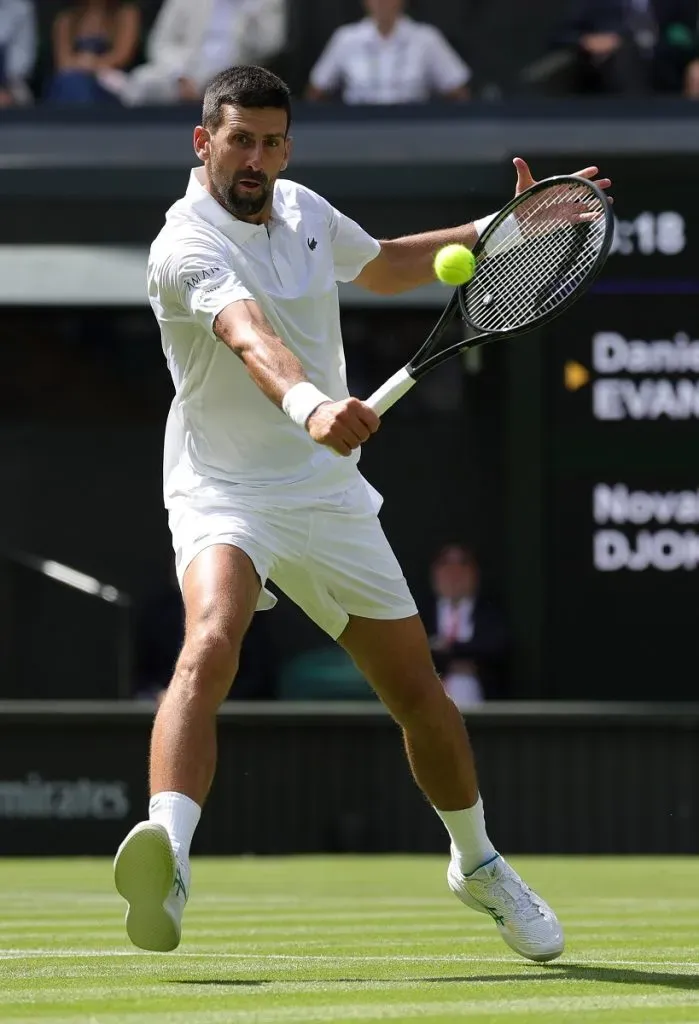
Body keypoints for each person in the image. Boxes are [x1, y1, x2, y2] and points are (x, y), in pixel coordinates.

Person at [112, 64, 612, 960]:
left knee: (417, 694)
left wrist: (501, 229)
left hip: (327, 495)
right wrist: (312, 406)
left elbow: (385, 265)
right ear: (203, 142)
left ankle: (477, 862)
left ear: (286, 148)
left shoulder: (303, 209)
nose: (256, 159)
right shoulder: (183, 246)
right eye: (239, 141)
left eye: (272, 143)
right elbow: (248, 336)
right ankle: (171, 857)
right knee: (212, 637)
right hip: (225, 491)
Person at [98, 0, 286, 107]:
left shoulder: (264, 3)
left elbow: (271, 47)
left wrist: (250, 16)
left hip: (235, 74)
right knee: (145, 80)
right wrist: (181, 76)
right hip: (185, 70)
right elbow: (160, 43)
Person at [306, 0, 471, 104]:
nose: (381, 2)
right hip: (358, 130)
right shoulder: (345, 39)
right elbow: (316, 91)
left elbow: (459, 92)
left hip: (413, 129)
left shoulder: (426, 39)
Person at [546, 0, 699, 95]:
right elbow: (560, 36)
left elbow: (691, 32)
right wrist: (588, 41)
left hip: (667, 68)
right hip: (614, 71)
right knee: (625, 59)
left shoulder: (677, 3)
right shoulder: (594, 3)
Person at [426, 543, 510, 705]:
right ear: (434, 572)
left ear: (475, 573)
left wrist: (446, 650)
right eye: (446, 566)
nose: (454, 574)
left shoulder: (490, 613)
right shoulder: (420, 612)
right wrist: (464, 659)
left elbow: (496, 651)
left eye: (462, 566)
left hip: (481, 708)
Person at [47, 0, 140, 105]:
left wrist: (91, 64)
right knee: (71, 83)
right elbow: (63, 61)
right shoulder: (66, 19)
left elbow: (122, 56)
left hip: (109, 81)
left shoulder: (126, 14)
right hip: (72, 78)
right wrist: (83, 65)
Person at [0, 0, 36, 107]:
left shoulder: (20, 7)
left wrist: (5, 90)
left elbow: (21, 65)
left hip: (10, 83)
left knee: (22, 99)